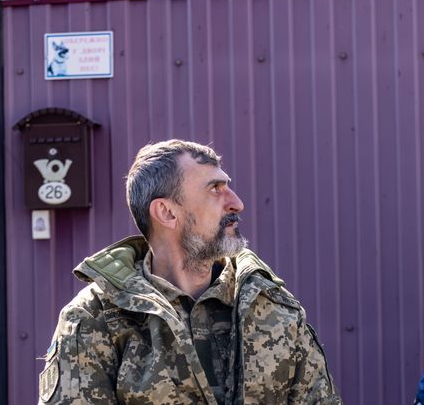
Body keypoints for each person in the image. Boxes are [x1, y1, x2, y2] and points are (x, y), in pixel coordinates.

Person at [38, 140, 341, 404]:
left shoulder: (272, 307)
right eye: (215, 189)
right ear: (167, 213)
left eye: (228, 186)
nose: (237, 203)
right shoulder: (96, 318)